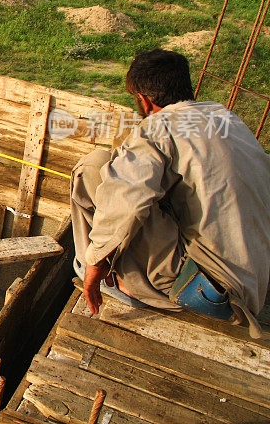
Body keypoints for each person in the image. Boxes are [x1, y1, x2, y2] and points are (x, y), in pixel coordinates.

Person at [71, 49, 270, 338]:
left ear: (144, 99)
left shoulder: (158, 127)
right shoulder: (224, 116)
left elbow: (125, 200)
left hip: (207, 291)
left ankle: (111, 279)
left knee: (93, 169)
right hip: (255, 281)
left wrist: (95, 261)